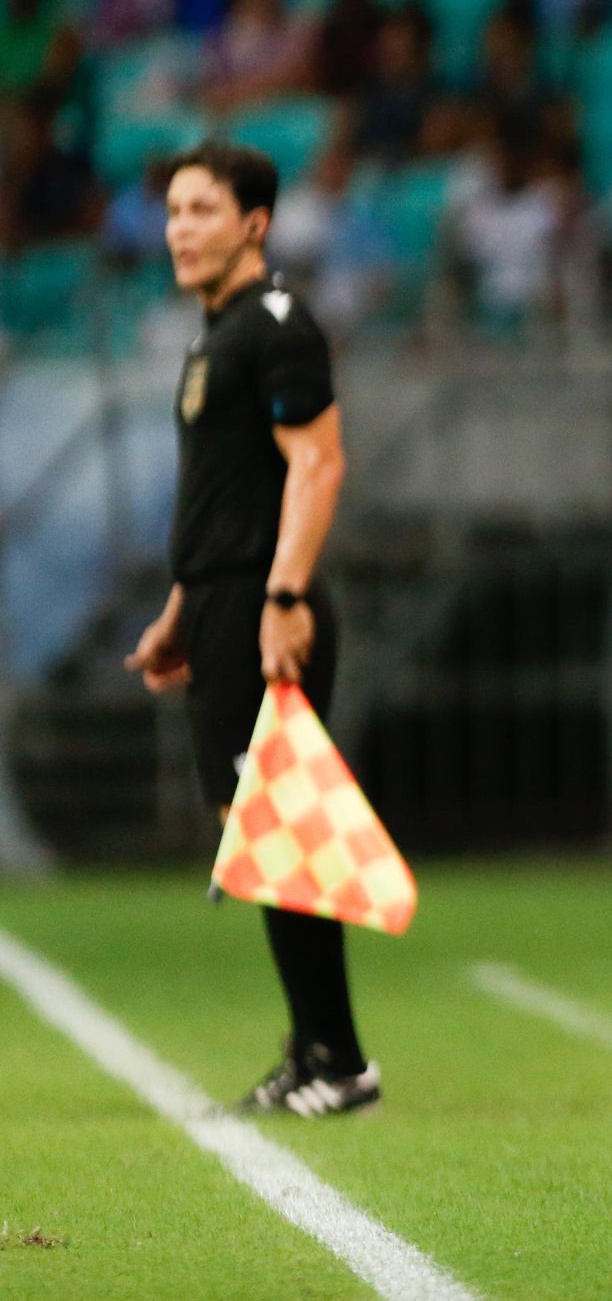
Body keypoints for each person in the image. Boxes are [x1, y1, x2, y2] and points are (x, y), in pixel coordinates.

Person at [123, 140, 375, 1117]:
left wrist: (284, 597)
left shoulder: (277, 325)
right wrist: (182, 612)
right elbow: (224, 496)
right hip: (224, 602)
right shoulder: (214, 335)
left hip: (267, 605)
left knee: (284, 831)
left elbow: (319, 464)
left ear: (254, 224)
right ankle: (316, 1047)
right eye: (173, 211)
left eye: (200, 210)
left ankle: (338, 1057)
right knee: (258, 831)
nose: (179, 229)